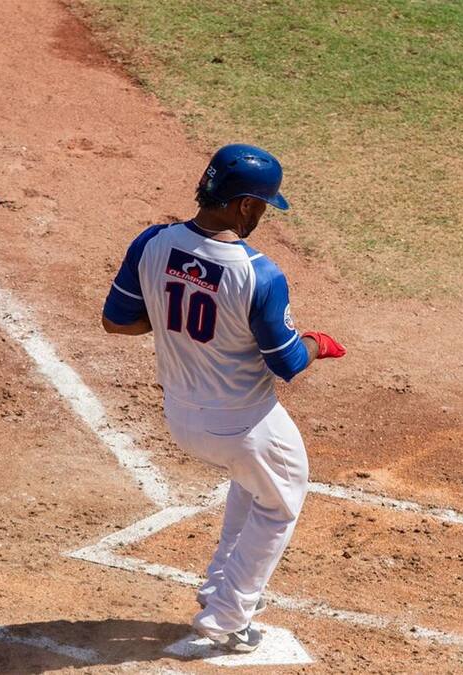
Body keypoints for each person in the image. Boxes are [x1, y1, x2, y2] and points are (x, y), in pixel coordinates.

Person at [101, 144, 346, 651]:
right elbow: (287, 362)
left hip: (180, 415)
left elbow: (116, 322)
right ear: (245, 205)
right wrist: (318, 343)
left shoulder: (151, 242)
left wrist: (175, 324)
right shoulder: (258, 272)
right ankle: (228, 617)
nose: (261, 217)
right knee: (281, 501)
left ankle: (219, 587)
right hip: (244, 423)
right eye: (262, 207)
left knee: (255, 485)